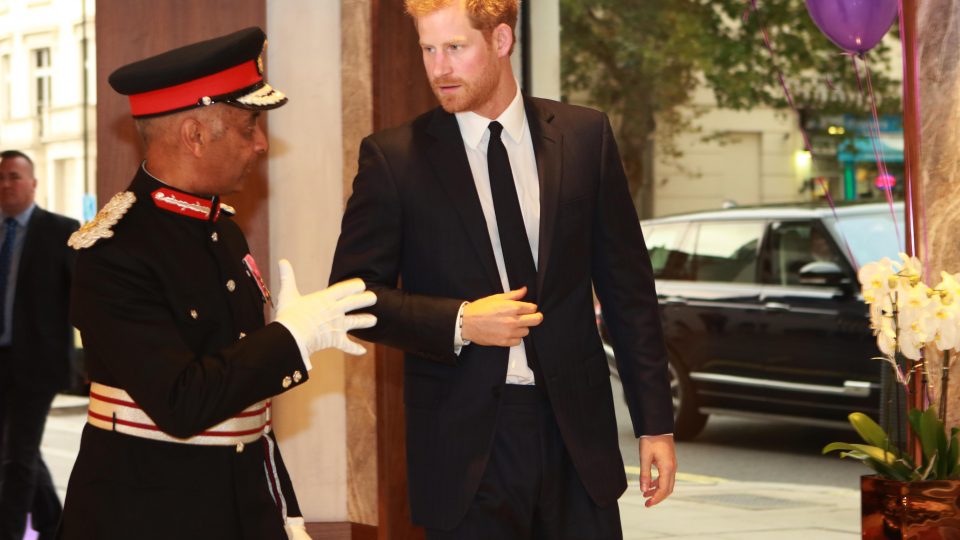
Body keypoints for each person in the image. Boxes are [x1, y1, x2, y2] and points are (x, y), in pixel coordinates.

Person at [329, 1, 676, 538]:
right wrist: (461, 322)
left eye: (455, 48)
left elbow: (629, 289)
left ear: (501, 42)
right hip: (465, 448)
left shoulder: (585, 137)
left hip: (576, 439)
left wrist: (655, 423)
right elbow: (351, 300)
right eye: (428, 49)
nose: (438, 67)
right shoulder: (394, 158)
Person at [57, 27, 376, 540]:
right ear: (195, 134)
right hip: (148, 514)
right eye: (249, 124)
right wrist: (290, 338)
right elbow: (183, 403)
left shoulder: (221, 228)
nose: (261, 143)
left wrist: (281, 509)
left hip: (240, 504)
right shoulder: (115, 250)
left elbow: (251, 419)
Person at [0, 151, 79, 540]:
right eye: (0, 178)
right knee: (18, 450)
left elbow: (83, 299)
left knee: (15, 458)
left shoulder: (61, 231)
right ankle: (54, 525)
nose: (6, 184)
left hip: (38, 364)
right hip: (0, 359)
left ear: (33, 183)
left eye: (14, 176)